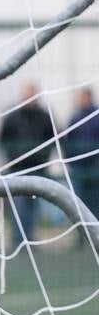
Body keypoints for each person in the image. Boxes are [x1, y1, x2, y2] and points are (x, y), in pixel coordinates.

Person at [0, 82, 57, 246]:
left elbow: (52, 138)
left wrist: (44, 159)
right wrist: (14, 157)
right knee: (18, 204)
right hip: (17, 168)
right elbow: (4, 138)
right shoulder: (12, 116)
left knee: (33, 203)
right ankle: (18, 239)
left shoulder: (45, 116)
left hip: (38, 167)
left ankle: (30, 237)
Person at [65, 87, 99, 242]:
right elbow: (68, 139)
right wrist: (70, 161)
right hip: (79, 167)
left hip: (95, 168)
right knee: (79, 203)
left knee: (95, 201)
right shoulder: (75, 117)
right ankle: (81, 238)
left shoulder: (96, 116)